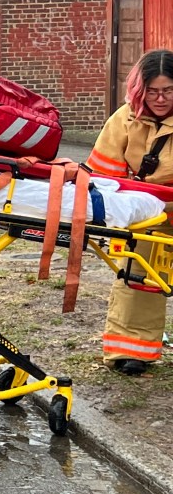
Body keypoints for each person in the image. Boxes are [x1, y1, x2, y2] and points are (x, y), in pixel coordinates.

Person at [87, 48, 173, 375]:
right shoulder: (124, 120)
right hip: (145, 214)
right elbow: (103, 176)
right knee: (138, 278)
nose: (161, 99)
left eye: (168, 91)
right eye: (153, 92)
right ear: (141, 90)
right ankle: (130, 351)